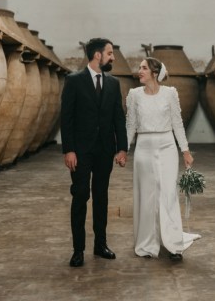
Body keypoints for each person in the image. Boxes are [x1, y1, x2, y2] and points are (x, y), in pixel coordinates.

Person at [125, 57, 200, 261]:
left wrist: (185, 151)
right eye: (140, 67)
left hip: (167, 146)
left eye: (143, 68)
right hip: (143, 147)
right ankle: (146, 244)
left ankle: (174, 245)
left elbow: (177, 123)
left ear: (155, 73)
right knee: (146, 196)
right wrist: (124, 149)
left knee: (168, 194)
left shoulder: (170, 93)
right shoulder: (134, 95)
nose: (139, 71)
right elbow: (131, 125)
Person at [61, 38, 127, 268]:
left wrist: (122, 148)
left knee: (101, 197)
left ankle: (100, 245)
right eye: (110, 53)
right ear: (98, 55)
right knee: (80, 196)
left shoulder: (113, 83)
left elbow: (118, 117)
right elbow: (66, 118)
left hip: (104, 151)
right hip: (80, 152)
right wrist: (69, 150)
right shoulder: (74, 81)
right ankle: (78, 250)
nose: (113, 57)